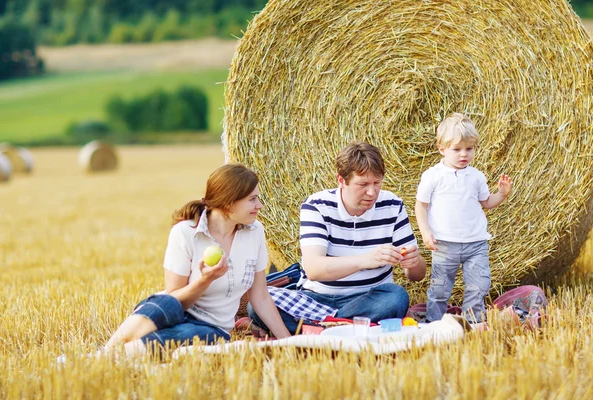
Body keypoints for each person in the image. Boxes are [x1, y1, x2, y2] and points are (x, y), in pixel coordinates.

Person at [90, 164, 290, 358]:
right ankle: (102, 356)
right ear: (229, 201)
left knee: (183, 335)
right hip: (175, 311)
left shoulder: (255, 233)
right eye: (252, 199)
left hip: (212, 328)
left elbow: (261, 297)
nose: (260, 205)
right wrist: (205, 280)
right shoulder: (185, 232)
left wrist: (287, 342)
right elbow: (175, 298)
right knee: (167, 303)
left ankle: (112, 358)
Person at [249, 141, 427, 334]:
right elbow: (314, 269)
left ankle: (318, 328)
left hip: (370, 297)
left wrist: (414, 262)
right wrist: (366, 260)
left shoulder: (392, 205)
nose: (372, 192)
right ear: (341, 180)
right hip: (316, 297)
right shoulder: (317, 206)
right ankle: (348, 327)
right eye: (363, 184)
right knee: (257, 306)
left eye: (377, 183)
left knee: (396, 297)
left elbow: (417, 275)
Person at [415, 113, 513, 323]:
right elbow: (420, 206)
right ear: (442, 149)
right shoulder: (433, 176)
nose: (464, 154)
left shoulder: (476, 176)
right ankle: (435, 325)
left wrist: (502, 194)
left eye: (469, 149)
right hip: (444, 243)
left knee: (479, 285)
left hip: (475, 243)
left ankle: (473, 322)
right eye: (457, 149)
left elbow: (486, 202)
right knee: (440, 289)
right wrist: (425, 233)